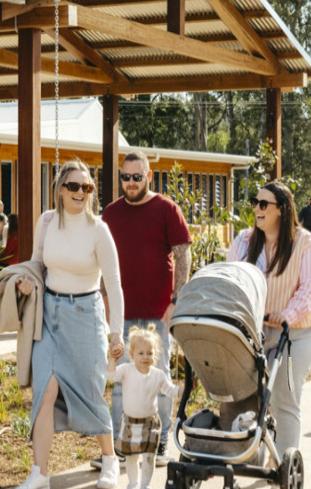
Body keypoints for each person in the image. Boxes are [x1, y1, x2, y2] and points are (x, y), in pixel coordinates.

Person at [14, 160, 125, 489]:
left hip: (85, 316)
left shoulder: (98, 229)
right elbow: (37, 262)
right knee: (45, 392)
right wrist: (28, 282)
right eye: (74, 186)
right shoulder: (46, 221)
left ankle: (109, 460)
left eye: (87, 187)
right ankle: (40, 474)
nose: (81, 192)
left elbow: (114, 285)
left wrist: (116, 332)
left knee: (91, 391)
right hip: (49, 314)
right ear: (60, 189)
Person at [99, 149, 191, 466]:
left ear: (148, 176)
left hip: (157, 317)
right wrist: (106, 302)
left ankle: (161, 444)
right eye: (126, 177)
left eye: (137, 177)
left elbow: (183, 255)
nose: (131, 182)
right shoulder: (110, 213)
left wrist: (176, 301)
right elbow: (100, 260)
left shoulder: (167, 209)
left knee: (159, 378)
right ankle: (120, 448)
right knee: (122, 380)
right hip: (121, 316)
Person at [228, 182, 311, 456]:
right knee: (249, 399)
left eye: (263, 204)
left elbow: (309, 289)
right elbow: (232, 280)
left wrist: (287, 314)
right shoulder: (244, 242)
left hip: (295, 333)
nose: (256, 209)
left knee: (284, 400)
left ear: (281, 210)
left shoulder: (304, 243)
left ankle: (283, 467)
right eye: (255, 202)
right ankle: (256, 455)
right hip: (255, 333)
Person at [111, 324, 182, 489]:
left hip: (150, 423)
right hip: (130, 422)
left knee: (150, 456)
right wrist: (112, 360)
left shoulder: (157, 375)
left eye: (150, 353)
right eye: (141, 353)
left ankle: (145, 485)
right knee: (131, 457)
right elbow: (111, 376)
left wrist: (182, 391)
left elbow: (170, 390)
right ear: (132, 354)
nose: (145, 357)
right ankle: (133, 483)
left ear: (155, 354)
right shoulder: (126, 370)